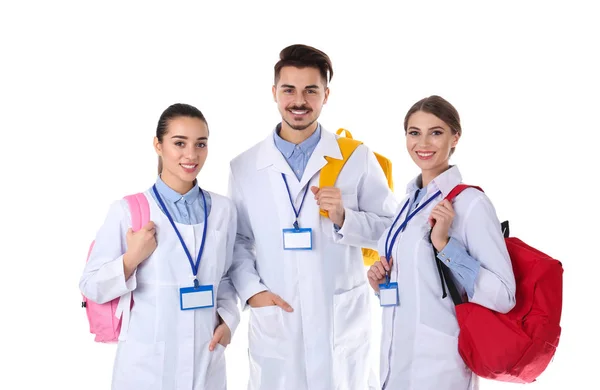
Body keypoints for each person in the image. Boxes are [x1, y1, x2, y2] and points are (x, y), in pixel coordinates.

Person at [227, 44, 398, 390]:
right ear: (274, 93)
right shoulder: (244, 166)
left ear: (326, 95)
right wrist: (252, 292)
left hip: (340, 317)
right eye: (289, 89)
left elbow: (391, 232)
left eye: (311, 90)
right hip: (278, 316)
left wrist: (345, 218)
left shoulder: (356, 158)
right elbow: (239, 242)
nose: (299, 100)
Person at [79, 103, 239, 390]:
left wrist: (228, 321)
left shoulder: (223, 210)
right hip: (147, 367)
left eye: (200, 144)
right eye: (180, 143)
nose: (191, 155)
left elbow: (226, 277)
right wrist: (130, 260)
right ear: (158, 145)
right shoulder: (128, 211)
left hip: (206, 361)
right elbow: (91, 285)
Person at [368, 95, 517, 389]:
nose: (423, 143)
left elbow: (503, 297)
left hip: (439, 368)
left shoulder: (471, 203)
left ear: (455, 137)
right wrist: (382, 283)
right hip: (394, 361)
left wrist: (445, 245)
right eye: (414, 132)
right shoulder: (407, 202)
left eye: (435, 132)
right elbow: (423, 283)